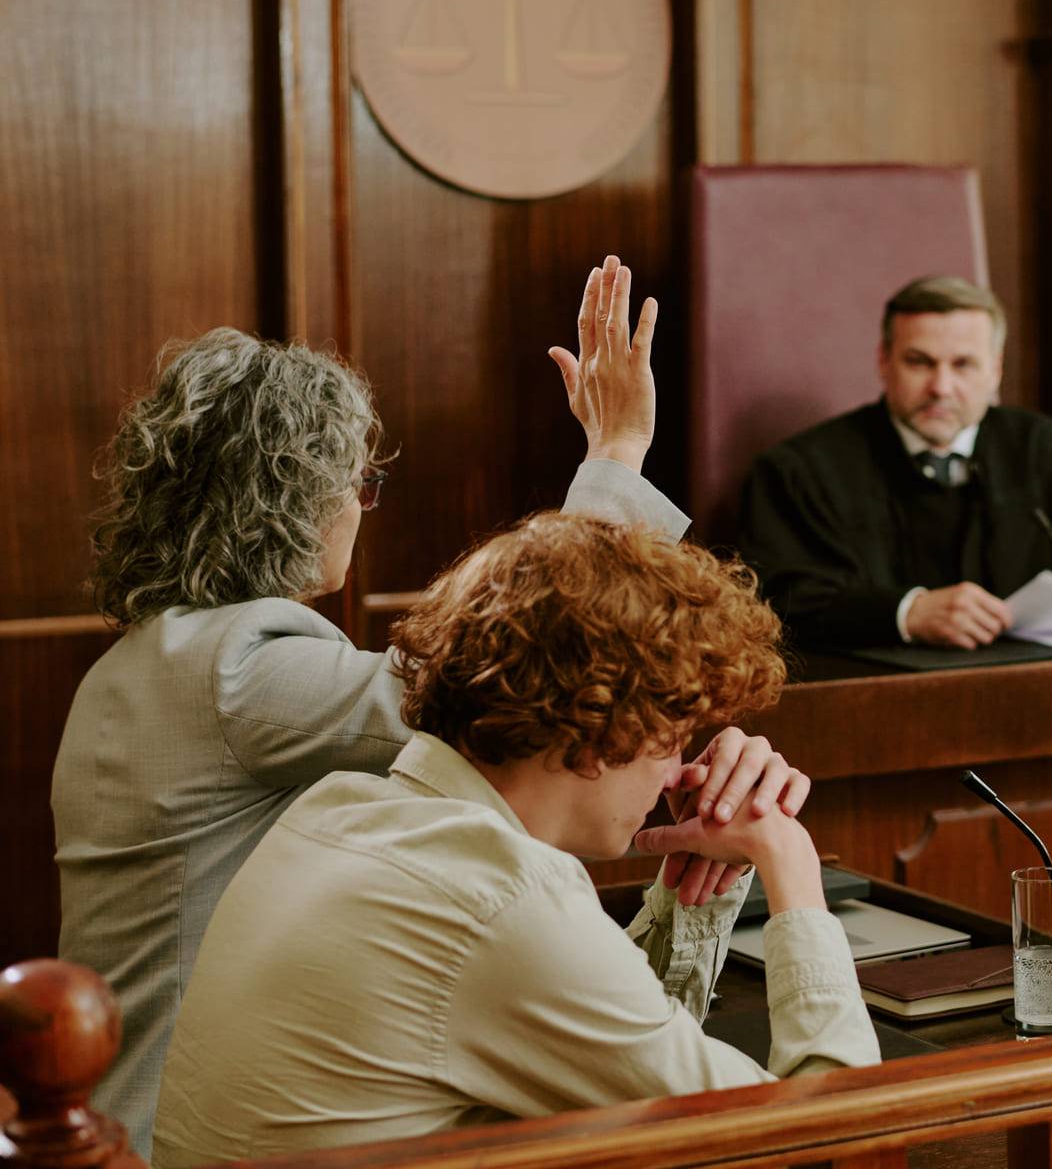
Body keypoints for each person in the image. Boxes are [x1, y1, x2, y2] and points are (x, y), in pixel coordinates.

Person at [52, 257, 686, 1157]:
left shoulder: (157, 654)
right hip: (176, 1139)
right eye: (358, 482)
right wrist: (616, 454)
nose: (361, 506)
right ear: (295, 500)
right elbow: (517, 671)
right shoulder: (240, 669)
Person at [151, 513, 879, 1165]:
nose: (676, 775)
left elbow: (634, 1085)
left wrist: (693, 896)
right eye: (673, 738)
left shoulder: (334, 811)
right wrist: (790, 861)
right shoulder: (500, 900)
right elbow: (833, 1138)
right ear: (597, 733)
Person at [736, 275, 1052, 650]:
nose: (941, 387)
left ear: (995, 371)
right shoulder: (801, 472)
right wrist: (906, 613)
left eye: (963, 364)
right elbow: (778, 598)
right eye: (919, 362)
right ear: (883, 361)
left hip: (1043, 693)